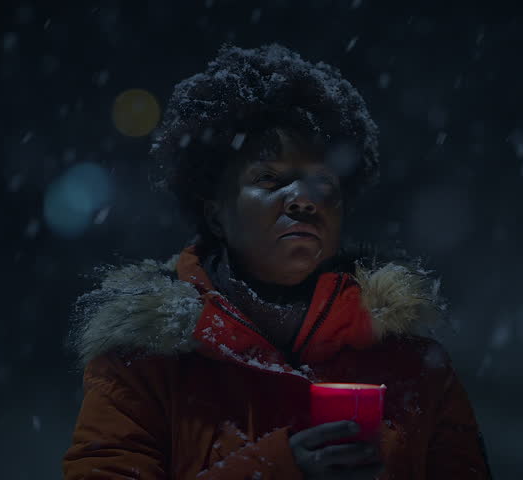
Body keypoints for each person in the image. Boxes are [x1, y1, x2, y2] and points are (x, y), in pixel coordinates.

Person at [62, 44, 493, 479]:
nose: (303, 199)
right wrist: (276, 470)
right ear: (215, 213)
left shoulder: (413, 366)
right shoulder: (145, 362)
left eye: (322, 183)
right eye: (268, 178)